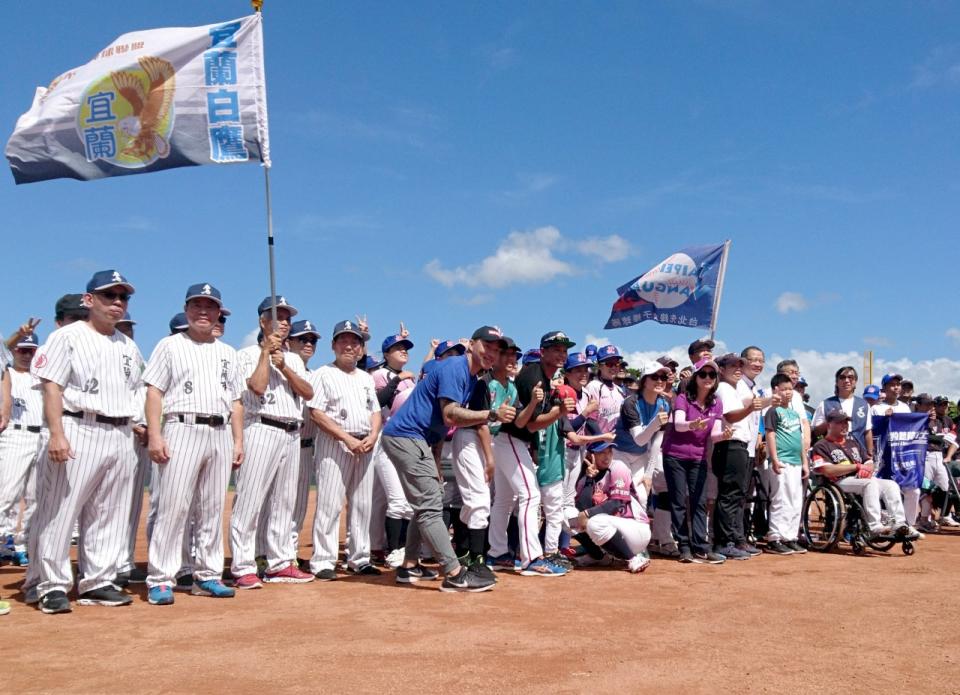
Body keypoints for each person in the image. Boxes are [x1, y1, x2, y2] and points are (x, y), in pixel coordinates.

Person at [26, 270, 144, 614]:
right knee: (59, 511)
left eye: (123, 297)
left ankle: (98, 580)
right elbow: (51, 386)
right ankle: (49, 584)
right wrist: (57, 432)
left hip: (119, 432)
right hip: (79, 426)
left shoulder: (128, 345)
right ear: (89, 300)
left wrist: (139, 426)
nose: (117, 303)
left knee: (109, 512)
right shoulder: (68, 337)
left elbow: (136, 390)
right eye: (110, 296)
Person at [380, 326, 516, 592]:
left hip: (419, 439)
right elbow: (450, 415)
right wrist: (491, 414)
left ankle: (409, 566)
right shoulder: (456, 368)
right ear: (472, 344)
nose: (491, 353)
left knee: (425, 504)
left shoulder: (470, 377)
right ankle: (454, 572)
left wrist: (436, 454)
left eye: (497, 350)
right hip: (406, 436)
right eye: (486, 346)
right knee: (431, 505)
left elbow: (439, 422)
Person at [142, 283, 244, 605]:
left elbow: (237, 401)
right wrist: (156, 434)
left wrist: (238, 439)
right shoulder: (169, 345)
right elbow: (154, 391)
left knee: (212, 507)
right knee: (173, 507)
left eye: (210, 306)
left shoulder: (228, 353)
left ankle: (208, 575)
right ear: (187, 310)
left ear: (218, 312)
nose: (203, 310)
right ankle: (160, 578)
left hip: (219, 430)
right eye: (197, 305)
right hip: (182, 426)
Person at [229, 295, 315, 589]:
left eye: (288, 318)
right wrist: (266, 355)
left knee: (284, 502)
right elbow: (256, 386)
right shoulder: (245, 354)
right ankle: (242, 565)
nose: (285, 323)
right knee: (250, 500)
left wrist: (285, 367)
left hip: (292, 430)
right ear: (262, 321)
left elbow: (308, 392)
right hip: (261, 426)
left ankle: (280, 563)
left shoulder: (292, 358)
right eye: (278, 317)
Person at [488, 331, 573, 577]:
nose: (561, 353)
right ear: (543, 351)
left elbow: (533, 424)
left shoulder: (544, 378)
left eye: (564, 349)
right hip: (509, 439)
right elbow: (530, 424)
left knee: (504, 500)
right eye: (555, 348)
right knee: (530, 495)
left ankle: (496, 553)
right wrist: (559, 411)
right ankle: (531, 558)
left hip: (509, 440)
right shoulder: (534, 376)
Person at [308, 320, 383, 579]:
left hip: (365, 443)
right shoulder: (322, 374)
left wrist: (373, 435)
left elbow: (375, 411)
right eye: (343, 341)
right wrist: (346, 439)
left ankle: (359, 558)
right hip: (335, 443)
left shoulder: (365, 378)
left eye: (354, 342)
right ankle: (323, 561)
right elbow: (316, 413)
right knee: (330, 504)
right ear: (333, 345)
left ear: (362, 349)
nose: (349, 346)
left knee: (362, 505)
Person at [810, 411, 915, 540]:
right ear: (829, 425)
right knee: (869, 484)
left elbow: (868, 461)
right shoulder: (821, 445)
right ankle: (874, 526)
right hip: (839, 482)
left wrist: (868, 468)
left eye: (846, 423)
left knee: (891, 484)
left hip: (861, 479)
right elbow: (827, 470)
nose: (844, 426)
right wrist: (856, 467)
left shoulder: (852, 442)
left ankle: (899, 524)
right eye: (840, 423)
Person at [661, 357, 726, 564]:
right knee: (679, 501)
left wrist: (724, 435)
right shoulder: (682, 398)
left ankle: (701, 547)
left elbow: (714, 434)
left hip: (698, 457)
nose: (708, 378)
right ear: (696, 377)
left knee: (699, 502)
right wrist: (693, 425)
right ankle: (684, 547)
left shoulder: (716, 403)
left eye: (712, 375)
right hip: (675, 456)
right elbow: (679, 424)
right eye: (703, 374)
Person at [611, 361, 674, 557]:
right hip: (619, 454)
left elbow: (656, 441)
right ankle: (615, 545)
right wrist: (655, 423)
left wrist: (648, 474)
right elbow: (639, 439)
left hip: (641, 457)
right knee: (619, 496)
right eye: (654, 377)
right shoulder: (631, 402)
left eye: (663, 377)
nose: (659, 381)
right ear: (644, 380)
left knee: (642, 497)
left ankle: (638, 545)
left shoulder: (664, 404)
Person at [370, 327, 417, 569]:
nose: (403, 351)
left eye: (406, 348)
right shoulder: (378, 375)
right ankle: (392, 549)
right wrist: (398, 379)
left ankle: (394, 548)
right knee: (392, 501)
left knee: (399, 501)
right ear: (386, 353)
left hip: (405, 439)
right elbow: (376, 402)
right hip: (383, 439)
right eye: (398, 348)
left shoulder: (409, 377)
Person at [712, 353, 764, 561]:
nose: (738, 369)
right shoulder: (723, 388)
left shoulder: (733, 388)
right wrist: (751, 407)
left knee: (736, 494)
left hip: (740, 445)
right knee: (729, 493)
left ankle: (732, 538)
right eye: (732, 365)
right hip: (729, 444)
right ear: (721, 369)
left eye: (740, 365)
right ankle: (724, 542)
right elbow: (730, 415)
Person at [574, 441, 651, 573]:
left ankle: (633, 558)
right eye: (601, 452)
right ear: (590, 455)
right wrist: (589, 479)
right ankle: (598, 557)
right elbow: (582, 506)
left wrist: (586, 514)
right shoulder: (583, 480)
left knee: (594, 521)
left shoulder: (618, 467)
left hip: (635, 529)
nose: (607, 456)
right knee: (566, 517)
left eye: (609, 451)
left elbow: (617, 503)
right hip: (611, 528)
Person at [0, 332, 43, 567]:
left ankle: (22, 544)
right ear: (14, 351)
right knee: (6, 495)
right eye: (22, 350)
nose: (27, 355)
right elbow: (2, 350)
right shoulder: (6, 374)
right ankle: (1, 542)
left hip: (41, 437)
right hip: (15, 434)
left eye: (32, 350)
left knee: (36, 498)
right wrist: (16, 337)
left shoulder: (41, 376)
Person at [286, 319, 323, 567]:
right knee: (272, 504)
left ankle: (288, 554)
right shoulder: (279, 368)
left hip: (307, 447)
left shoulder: (314, 376)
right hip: (283, 441)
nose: (308, 343)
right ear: (289, 341)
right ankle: (260, 554)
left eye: (312, 340)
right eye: (303, 339)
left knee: (298, 505)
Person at [762, 374, 809, 555]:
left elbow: (799, 438)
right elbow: (770, 435)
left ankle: (790, 536)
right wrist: (774, 459)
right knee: (780, 498)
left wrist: (804, 462)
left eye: (791, 389)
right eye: (784, 389)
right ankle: (775, 537)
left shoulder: (794, 413)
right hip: (781, 460)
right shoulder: (773, 411)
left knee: (795, 500)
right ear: (776, 390)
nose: (788, 393)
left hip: (796, 461)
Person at [913, 394, 956, 533]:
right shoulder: (919, 421)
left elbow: (948, 439)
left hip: (940, 457)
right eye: (929, 405)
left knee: (944, 488)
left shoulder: (942, 421)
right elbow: (926, 438)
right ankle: (924, 520)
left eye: (932, 405)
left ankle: (940, 516)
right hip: (925, 457)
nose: (931, 409)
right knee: (926, 489)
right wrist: (937, 438)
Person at [812, 367, 874, 459]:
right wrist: (831, 420)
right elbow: (816, 432)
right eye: (842, 377)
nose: (846, 380)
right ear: (837, 382)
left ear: (855, 382)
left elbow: (867, 432)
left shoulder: (864, 405)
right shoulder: (825, 404)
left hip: (858, 454)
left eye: (850, 377)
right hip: (834, 454)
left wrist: (870, 454)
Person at [584, 345, 625, 434]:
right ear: (599, 366)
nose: (614, 367)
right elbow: (589, 420)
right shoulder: (594, 386)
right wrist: (601, 442)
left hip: (616, 443)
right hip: (596, 444)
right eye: (609, 364)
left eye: (616, 363)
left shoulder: (619, 390)